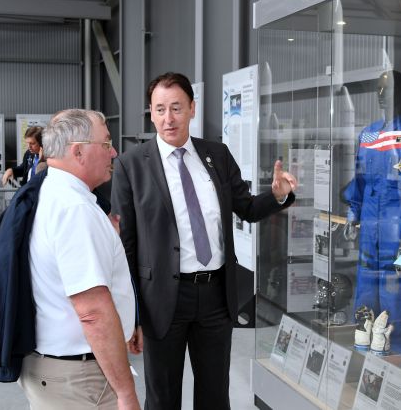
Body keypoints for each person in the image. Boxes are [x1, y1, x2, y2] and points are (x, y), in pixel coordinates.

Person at [112, 72, 297, 410]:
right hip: (162, 299)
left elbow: (247, 208)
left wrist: (277, 196)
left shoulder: (217, 155)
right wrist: (132, 313)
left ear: (192, 109)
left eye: (176, 108)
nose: (168, 118)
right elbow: (127, 246)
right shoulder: (131, 165)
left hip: (215, 295)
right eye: (160, 109)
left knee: (215, 396)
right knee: (162, 398)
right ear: (151, 113)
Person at [18, 109, 141, 410]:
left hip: (58, 372)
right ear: (78, 152)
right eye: (106, 143)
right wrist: (126, 393)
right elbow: (93, 313)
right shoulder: (76, 210)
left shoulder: (51, 191)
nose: (113, 151)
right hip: (80, 381)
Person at [342, 70, 401, 359]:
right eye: (377, 89)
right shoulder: (369, 134)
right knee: (366, 286)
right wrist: (353, 212)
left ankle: (399, 352)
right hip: (370, 227)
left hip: (399, 227)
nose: (380, 96)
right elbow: (359, 179)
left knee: (397, 289)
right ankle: (364, 346)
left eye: (385, 90)